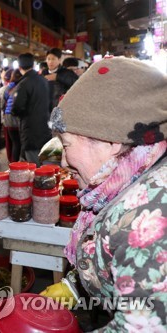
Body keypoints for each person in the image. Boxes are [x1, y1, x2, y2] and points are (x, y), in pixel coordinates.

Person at [44, 57, 166, 331]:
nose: (63, 161)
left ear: (111, 142)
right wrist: (75, 286)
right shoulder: (127, 178)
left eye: (67, 145)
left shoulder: (147, 222)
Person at [11, 53, 51, 165]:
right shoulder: (43, 80)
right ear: (33, 65)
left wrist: (15, 112)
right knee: (47, 165)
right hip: (45, 127)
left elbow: (17, 107)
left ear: (19, 68)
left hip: (31, 130)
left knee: (34, 166)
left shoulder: (23, 83)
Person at [0, 69, 23, 163]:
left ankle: (13, 164)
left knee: (14, 143)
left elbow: (1, 105)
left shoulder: (7, 88)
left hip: (8, 120)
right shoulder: (22, 87)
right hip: (18, 119)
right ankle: (19, 166)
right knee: (20, 144)